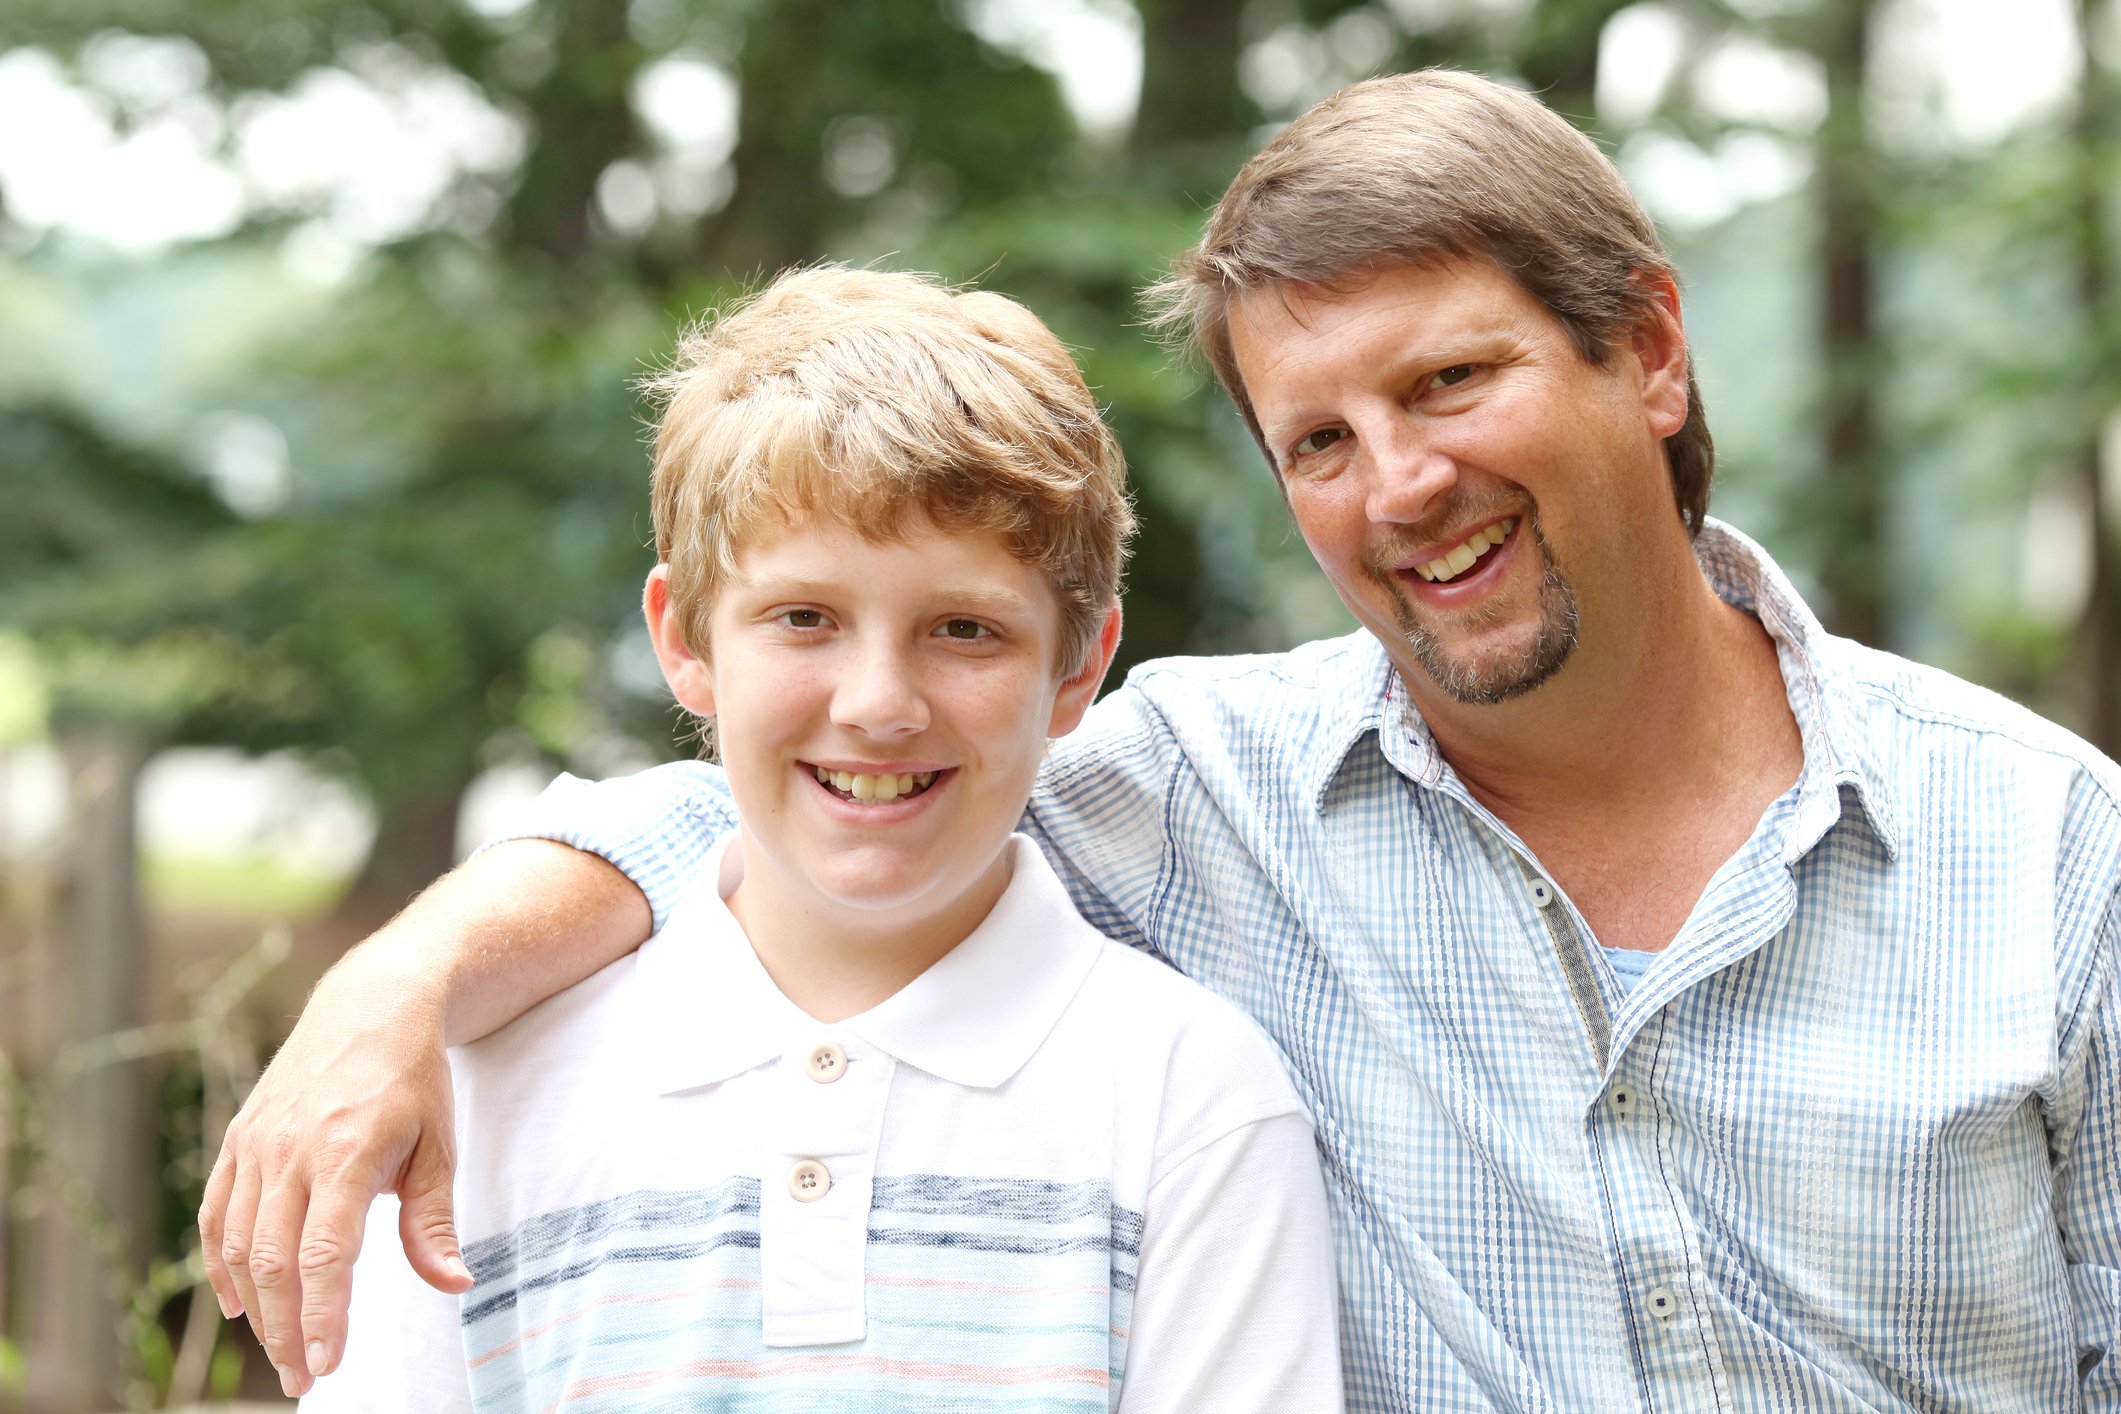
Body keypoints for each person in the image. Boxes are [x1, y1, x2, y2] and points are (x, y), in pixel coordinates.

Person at [207, 70, 2121, 1411]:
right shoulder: (1206, 795)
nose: (1405, 483)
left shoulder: (2048, 854)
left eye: (1452, 377)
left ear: (1648, 351)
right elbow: (801, 790)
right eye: (1319, 437)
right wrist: (397, 986)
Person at [291, 265, 1342, 1410]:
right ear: (685, 638)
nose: (878, 702)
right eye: (805, 618)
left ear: (1078, 666)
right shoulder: (492, 1079)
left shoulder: (1193, 1101)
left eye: (964, 628)